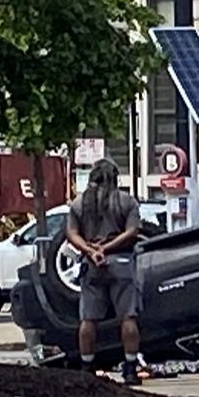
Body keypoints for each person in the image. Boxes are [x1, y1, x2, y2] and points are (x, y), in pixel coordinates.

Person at [66, 158, 143, 385]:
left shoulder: (79, 204)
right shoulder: (126, 201)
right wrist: (107, 248)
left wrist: (91, 250)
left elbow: (71, 233)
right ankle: (130, 369)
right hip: (121, 261)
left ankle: (87, 367)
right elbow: (133, 231)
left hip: (92, 265)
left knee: (88, 319)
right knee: (128, 317)